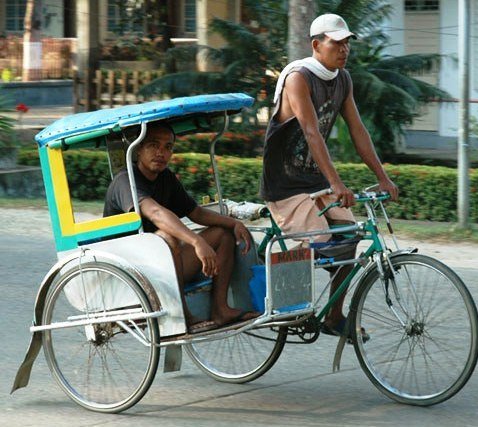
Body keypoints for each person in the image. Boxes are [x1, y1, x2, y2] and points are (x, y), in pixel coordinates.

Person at [260, 13, 399, 339]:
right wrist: (337, 184)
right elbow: (311, 131)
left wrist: (383, 177)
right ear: (316, 45)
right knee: (321, 243)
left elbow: (358, 130)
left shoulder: (343, 80)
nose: (344, 49)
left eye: (347, 42)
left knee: (350, 236)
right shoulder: (298, 78)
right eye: (337, 42)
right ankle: (286, 304)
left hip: (314, 180)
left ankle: (334, 317)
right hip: (285, 184)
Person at [104, 122, 259, 334]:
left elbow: (195, 212)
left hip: (162, 269)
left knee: (222, 235)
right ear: (138, 148)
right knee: (166, 238)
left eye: (168, 147)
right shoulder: (125, 180)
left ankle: (220, 309)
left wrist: (233, 223)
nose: (161, 152)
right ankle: (181, 315)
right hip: (131, 272)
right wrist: (196, 241)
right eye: (153, 145)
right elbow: (155, 213)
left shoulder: (166, 178)